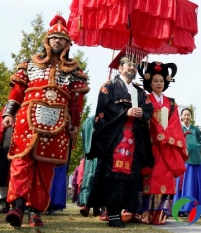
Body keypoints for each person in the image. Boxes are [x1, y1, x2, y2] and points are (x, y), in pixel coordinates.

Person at [1, 15, 89, 227]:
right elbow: (17, 92)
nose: (57, 41)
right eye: (53, 37)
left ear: (67, 43)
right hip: (27, 118)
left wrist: (73, 125)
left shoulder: (75, 71)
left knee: (45, 168)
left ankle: (36, 210)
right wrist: (8, 114)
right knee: (22, 162)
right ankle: (18, 207)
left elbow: (76, 104)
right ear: (47, 41)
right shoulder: (30, 64)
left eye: (61, 38)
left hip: (57, 122)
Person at [85, 49, 154, 228]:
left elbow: (148, 108)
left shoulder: (140, 91)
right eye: (128, 64)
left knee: (131, 174)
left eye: (134, 64)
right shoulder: (108, 86)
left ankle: (126, 210)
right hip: (115, 137)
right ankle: (113, 212)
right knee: (113, 175)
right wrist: (126, 112)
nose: (132, 67)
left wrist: (142, 113)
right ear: (120, 68)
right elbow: (104, 109)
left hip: (134, 139)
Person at [133, 61, 187, 224]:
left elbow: (175, 124)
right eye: (155, 81)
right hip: (151, 146)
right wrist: (157, 134)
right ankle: (145, 213)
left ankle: (160, 214)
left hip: (167, 147)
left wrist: (166, 136)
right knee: (150, 176)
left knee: (165, 178)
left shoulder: (172, 103)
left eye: (161, 81)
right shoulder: (145, 99)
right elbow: (144, 120)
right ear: (149, 82)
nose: (158, 84)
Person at [173, 108, 201, 215]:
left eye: (188, 115)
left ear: (191, 117)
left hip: (196, 160)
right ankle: (182, 207)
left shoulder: (195, 129)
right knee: (184, 184)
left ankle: (197, 207)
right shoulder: (177, 128)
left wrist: (195, 148)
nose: (186, 117)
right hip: (183, 160)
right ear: (181, 116)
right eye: (184, 115)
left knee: (197, 184)